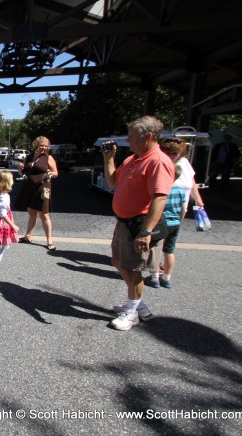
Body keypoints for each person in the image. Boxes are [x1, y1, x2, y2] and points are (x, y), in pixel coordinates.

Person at [102, 116, 175, 331]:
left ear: (149, 136)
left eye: (132, 136)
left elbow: (160, 198)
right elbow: (112, 182)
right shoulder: (134, 159)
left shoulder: (158, 161)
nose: (128, 140)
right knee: (118, 262)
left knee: (132, 269)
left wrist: (146, 231)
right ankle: (138, 305)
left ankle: (132, 313)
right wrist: (109, 159)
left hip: (139, 224)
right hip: (124, 222)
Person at [145, 164, 186, 289]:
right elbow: (184, 209)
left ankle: (154, 277)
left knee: (155, 249)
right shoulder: (180, 190)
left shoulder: (161, 190)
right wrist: (179, 220)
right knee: (169, 251)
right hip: (175, 224)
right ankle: (166, 278)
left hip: (161, 224)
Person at [16, 136, 59, 251]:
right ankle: (28, 236)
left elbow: (56, 173)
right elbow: (22, 173)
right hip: (29, 188)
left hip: (43, 188)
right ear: (36, 145)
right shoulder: (28, 157)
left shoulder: (48, 158)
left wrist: (51, 174)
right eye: (41, 146)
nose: (43, 148)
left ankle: (49, 241)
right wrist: (20, 168)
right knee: (32, 213)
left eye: (46, 146)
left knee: (44, 214)